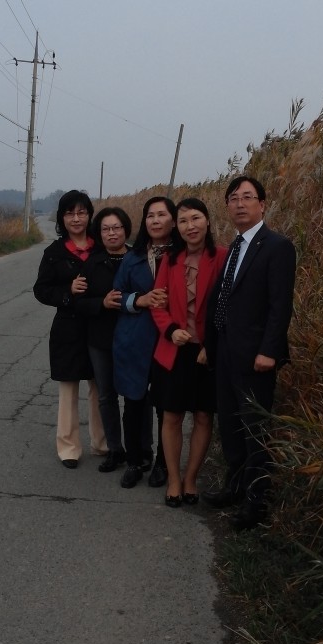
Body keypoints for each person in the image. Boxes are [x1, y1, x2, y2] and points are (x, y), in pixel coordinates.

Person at [202, 175, 296, 530]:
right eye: (233, 198)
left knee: (255, 429)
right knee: (230, 424)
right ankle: (235, 486)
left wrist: (269, 350)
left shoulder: (277, 247)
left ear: (262, 204)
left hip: (256, 356)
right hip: (226, 350)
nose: (239, 204)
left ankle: (257, 502)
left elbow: (280, 305)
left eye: (247, 197)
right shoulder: (234, 246)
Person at [150, 198, 227, 507]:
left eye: (195, 218)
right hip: (175, 349)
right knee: (171, 416)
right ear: (176, 227)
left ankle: (191, 478)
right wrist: (170, 329)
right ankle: (173, 479)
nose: (190, 226)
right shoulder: (170, 261)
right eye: (183, 221)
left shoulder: (223, 257)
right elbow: (157, 304)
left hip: (206, 352)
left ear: (207, 220)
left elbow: (228, 306)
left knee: (204, 416)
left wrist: (212, 344)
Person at [33, 190, 107, 469]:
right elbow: (41, 290)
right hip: (68, 328)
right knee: (68, 388)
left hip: (100, 325)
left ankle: (103, 443)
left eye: (81, 212)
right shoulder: (54, 253)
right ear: (61, 218)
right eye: (69, 213)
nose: (76, 219)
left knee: (101, 387)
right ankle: (69, 447)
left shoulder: (102, 247)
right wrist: (68, 291)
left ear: (89, 215)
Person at [112, 196, 180, 489]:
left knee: (165, 405)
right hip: (134, 339)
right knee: (133, 403)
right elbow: (116, 295)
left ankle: (162, 463)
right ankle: (135, 461)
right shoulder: (134, 257)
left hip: (168, 340)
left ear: (173, 220)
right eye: (150, 215)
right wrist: (139, 300)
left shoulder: (182, 255)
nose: (155, 220)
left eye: (161, 214)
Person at [76, 207, 132, 473]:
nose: (112, 233)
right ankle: (115, 449)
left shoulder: (138, 258)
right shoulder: (92, 263)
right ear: (99, 234)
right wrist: (102, 303)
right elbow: (79, 302)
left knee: (136, 395)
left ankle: (140, 450)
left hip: (132, 339)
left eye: (116, 227)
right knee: (106, 396)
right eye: (106, 229)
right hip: (100, 339)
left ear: (126, 229)